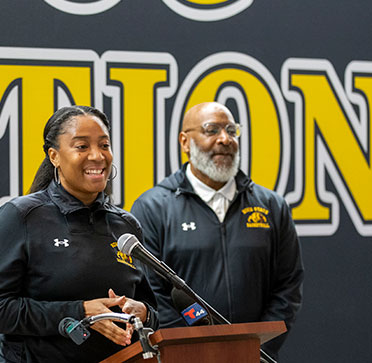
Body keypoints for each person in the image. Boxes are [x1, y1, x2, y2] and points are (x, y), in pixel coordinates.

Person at [0, 105, 158, 363]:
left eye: (104, 145)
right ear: (54, 156)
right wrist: (80, 312)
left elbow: (151, 307)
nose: (97, 156)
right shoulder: (21, 216)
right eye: (82, 147)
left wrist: (144, 312)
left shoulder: (126, 225)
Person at [130, 102, 304, 359]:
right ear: (185, 141)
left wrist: (254, 350)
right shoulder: (153, 208)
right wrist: (194, 352)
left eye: (232, 131)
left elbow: (287, 285)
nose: (225, 139)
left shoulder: (271, 206)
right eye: (211, 130)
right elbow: (153, 295)